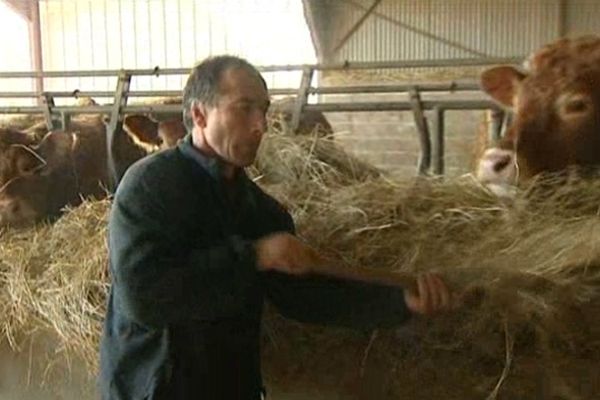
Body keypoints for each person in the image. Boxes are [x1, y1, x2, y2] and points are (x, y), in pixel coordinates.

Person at [99, 55, 455, 400]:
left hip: (229, 388)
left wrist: (398, 303)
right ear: (199, 115)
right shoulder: (151, 186)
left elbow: (303, 298)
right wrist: (253, 255)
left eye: (264, 110)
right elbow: (144, 296)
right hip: (154, 387)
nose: (261, 126)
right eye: (244, 108)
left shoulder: (261, 211)